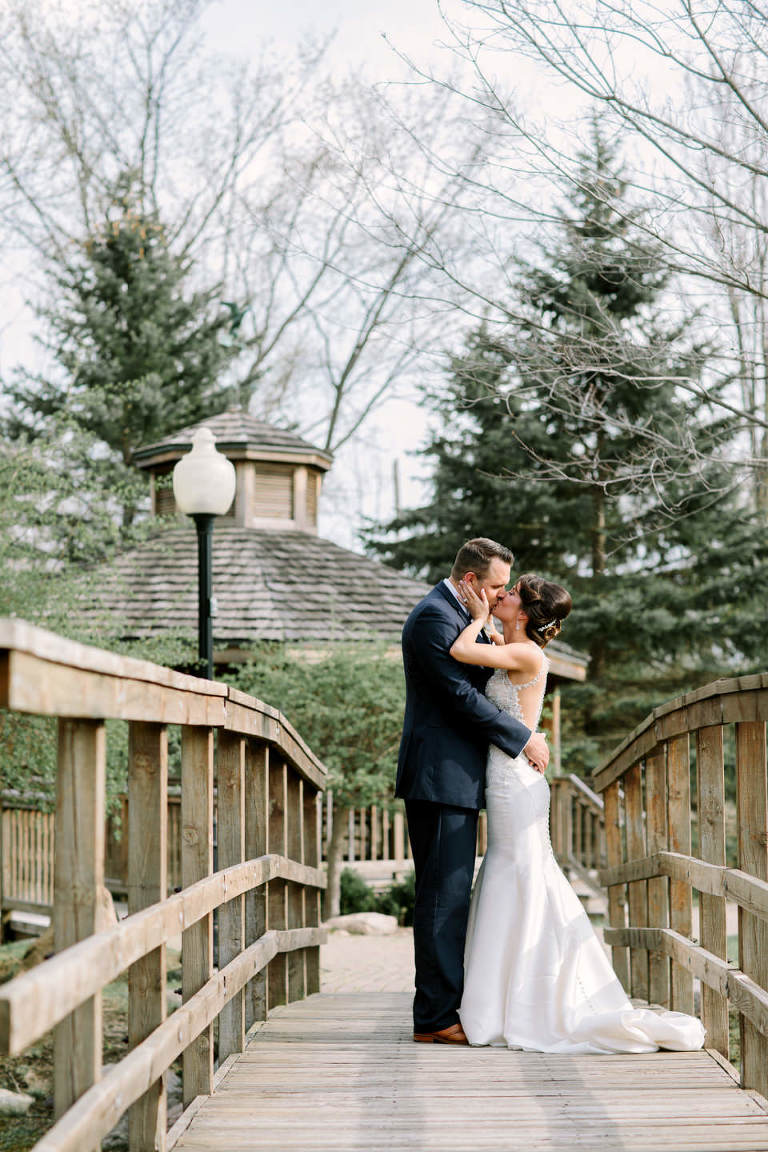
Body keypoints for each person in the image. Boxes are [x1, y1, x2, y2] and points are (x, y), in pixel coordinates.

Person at [452, 573, 706, 1053]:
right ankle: (505, 996)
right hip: (508, 775)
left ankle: (525, 1001)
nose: (499, 597)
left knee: (520, 872)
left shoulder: (526, 654)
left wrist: (480, 617)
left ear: (524, 612)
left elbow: (462, 653)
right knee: (515, 871)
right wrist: (488, 624)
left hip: (514, 780)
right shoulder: (511, 644)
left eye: (508, 595)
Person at [396, 538, 550, 1046]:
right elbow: (460, 696)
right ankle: (436, 1018)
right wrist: (521, 736)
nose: (502, 592)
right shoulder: (433, 619)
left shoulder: (461, 617)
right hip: (440, 777)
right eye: (495, 585)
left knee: (452, 893)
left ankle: (447, 1006)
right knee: (443, 897)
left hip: (460, 777)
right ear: (469, 582)